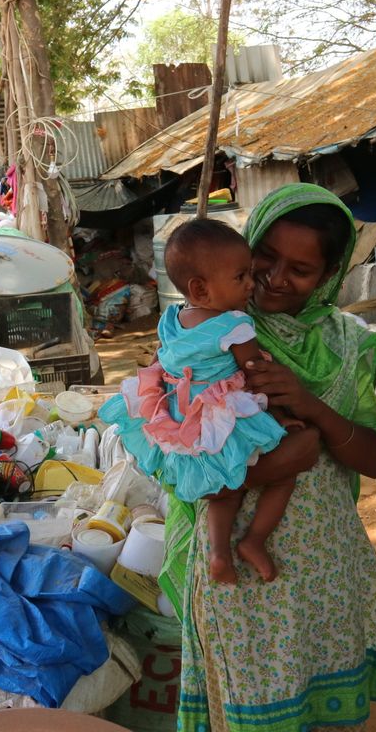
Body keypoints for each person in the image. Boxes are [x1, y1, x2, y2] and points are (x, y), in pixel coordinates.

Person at [160, 183, 376, 732]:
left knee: (322, 707)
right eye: (264, 257)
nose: (273, 277)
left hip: (323, 562)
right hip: (235, 570)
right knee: (253, 707)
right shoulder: (204, 331)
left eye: (301, 268)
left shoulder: (348, 344)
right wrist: (274, 466)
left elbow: (375, 459)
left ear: (330, 276)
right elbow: (169, 454)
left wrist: (308, 404)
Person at [99, 218, 316, 583]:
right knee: (285, 475)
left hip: (182, 418)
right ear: (200, 289)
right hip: (223, 418)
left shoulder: (171, 319)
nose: (251, 284)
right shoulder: (236, 325)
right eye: (240, 277)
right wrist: (279, 416)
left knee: (220, 494)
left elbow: (161, 360)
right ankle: (254, 541)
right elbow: (255, 375)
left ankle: (218, 554)